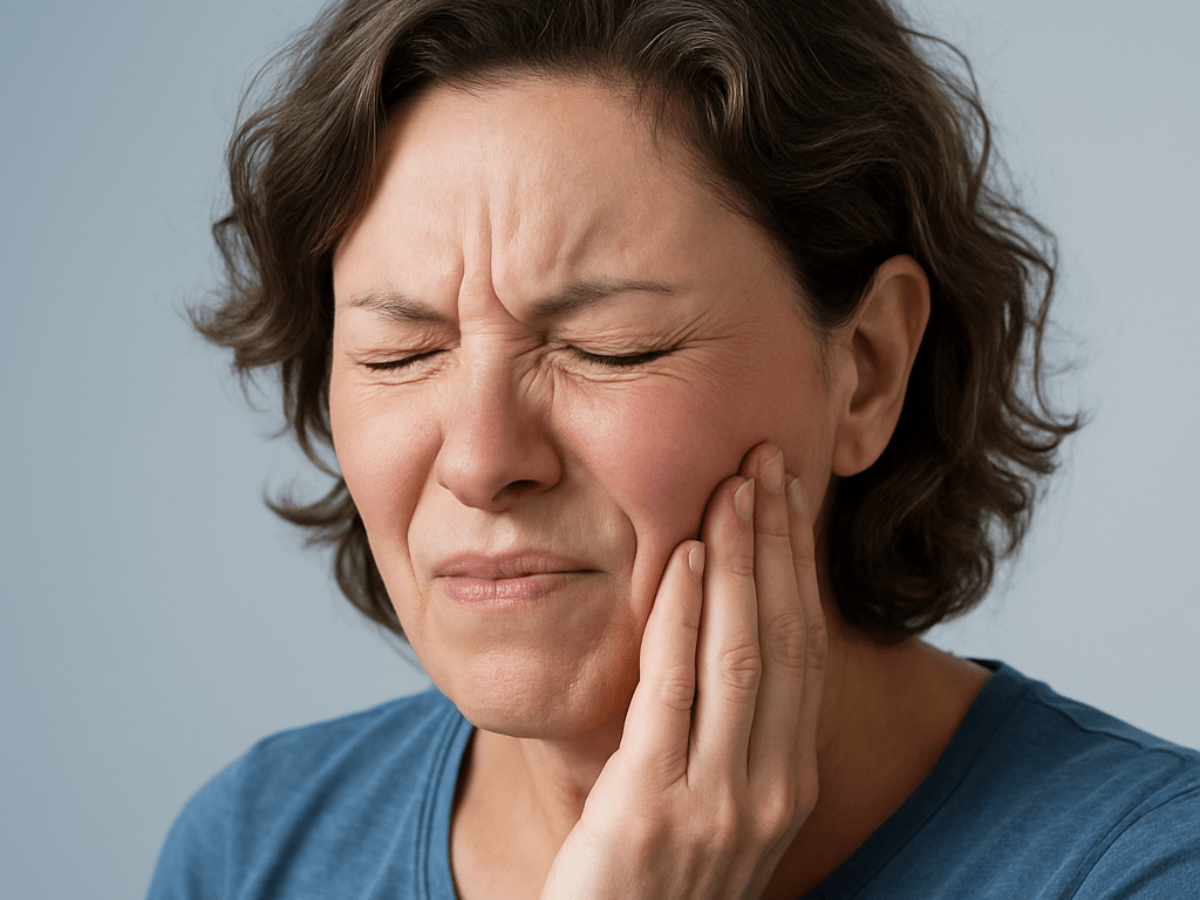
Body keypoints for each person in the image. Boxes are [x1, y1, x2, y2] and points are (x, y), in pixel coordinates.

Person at [147, 0, 1200, 897]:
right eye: (400, 352)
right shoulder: (252, 853)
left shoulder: (1148, 867)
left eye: (611, 349)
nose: (479, 459)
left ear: (869, 368)